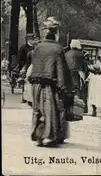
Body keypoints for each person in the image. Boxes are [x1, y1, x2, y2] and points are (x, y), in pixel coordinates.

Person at [29, 17, 73, 147]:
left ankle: (38, 136)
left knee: (38, 109)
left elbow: (34, 65)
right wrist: (64, 86)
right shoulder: (58, 49)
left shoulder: (37, 47)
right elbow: (61, 68)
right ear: (55, 35)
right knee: (54, 109)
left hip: (36, 84)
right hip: (51, 84)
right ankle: (53, 136)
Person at [65, 40, 89, 112]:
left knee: (69, 91)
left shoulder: (67, 53)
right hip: (78, 74)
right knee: (80, 91)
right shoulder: (80, 54)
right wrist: (86, 74)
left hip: (68, 74)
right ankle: (81, 109)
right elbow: (85, 66)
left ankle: (69, 109)